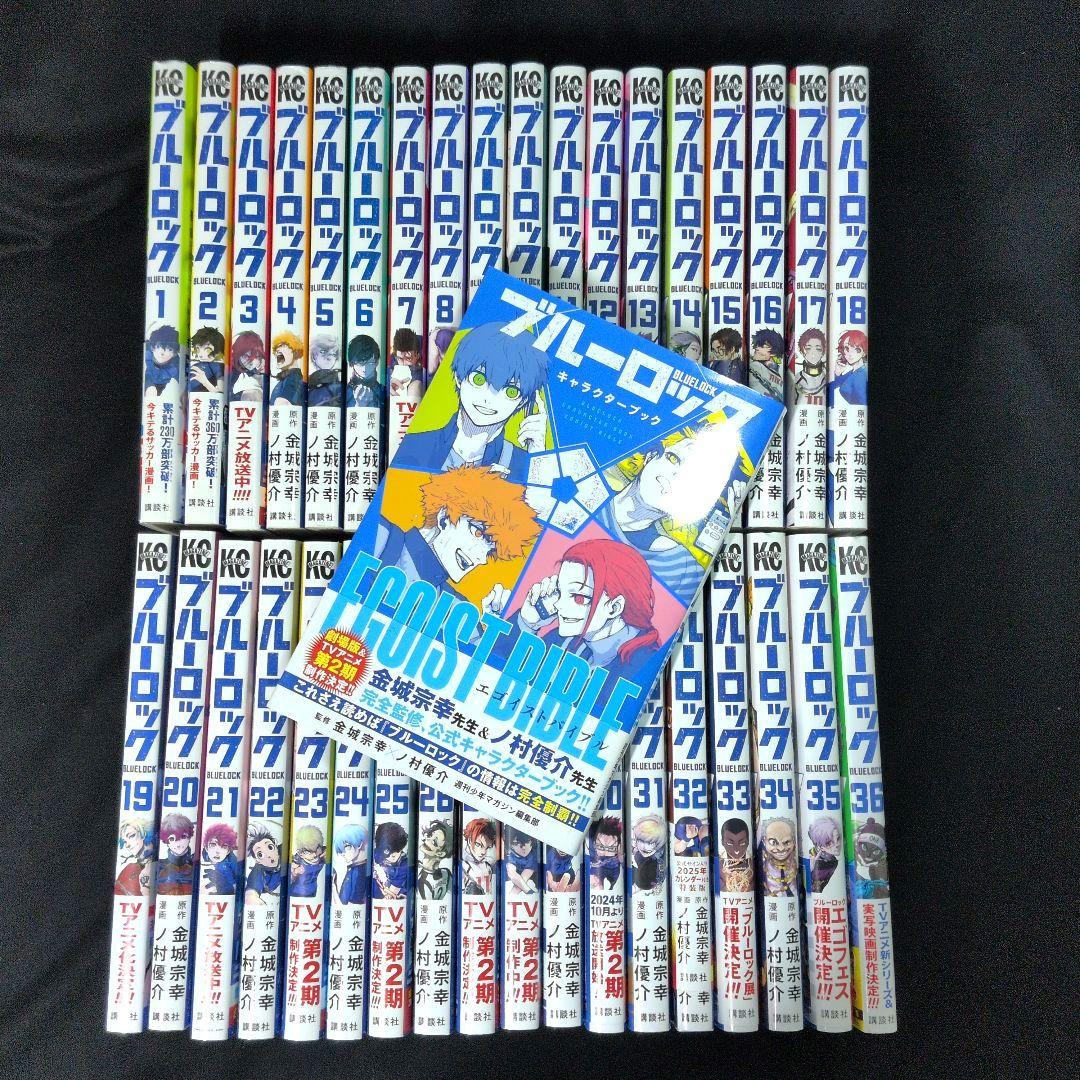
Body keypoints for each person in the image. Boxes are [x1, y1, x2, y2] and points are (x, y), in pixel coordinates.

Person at [484, 537, 661, 708]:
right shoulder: (564, 639)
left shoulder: (643, 666)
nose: (558, 605)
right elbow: (493, 676)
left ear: (614, 607)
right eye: (559, 592)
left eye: (578, 598)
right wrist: (527, 623)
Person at [393, 320, 548, 484]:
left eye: (511, 391)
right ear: (459, 378)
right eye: (479, 380)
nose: (489, 398)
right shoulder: (416, 446)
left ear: (523, 401)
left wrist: (538, 459)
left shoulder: (523, 463)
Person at [374, 464, 539, 592]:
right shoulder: (381, 537)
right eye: (479, 533)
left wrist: (524, 621)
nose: (481, 558)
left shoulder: (457, 611)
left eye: (490, 550)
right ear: (444, 518)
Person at [757, 817, 798, 897]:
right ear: (764, 841)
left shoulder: (796, 863)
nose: (781, 848)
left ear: (793, 840)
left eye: (787, 842)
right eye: (773, 842)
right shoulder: (763, 866)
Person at [156, 812, 194, 895]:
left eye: (183, 837)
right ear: (166, 841)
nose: (178, 844)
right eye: (172, 839)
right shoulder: (158, 867)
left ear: (189, 837)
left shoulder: (196, 866)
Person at [244, 824, 283, 905]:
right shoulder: (258, 871)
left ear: (275, 845)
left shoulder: (283, 851)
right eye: (260, 854)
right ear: (257, 860)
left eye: (270, 847)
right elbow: (251, 894)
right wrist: (252, 897)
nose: (269, 855)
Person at [829, 329, 868, 407]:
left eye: (856, 349)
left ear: (864, 352)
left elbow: (863, 403)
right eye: (847, 348)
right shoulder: (854, 371)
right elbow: (835, 385)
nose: (850, 354)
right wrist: (838, 372)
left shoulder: (861, 374)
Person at [333, 824, 370, 905]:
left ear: (359, 845)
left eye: (346, 847)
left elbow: (350, 905)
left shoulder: (360, 871)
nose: (343, 853)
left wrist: (333, 888)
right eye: (340, 850)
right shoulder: (354, 868)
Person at [371, 821, 409, 899]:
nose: (393, 855)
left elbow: (393, 891)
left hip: (397, 895)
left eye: (398, 851)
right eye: (388, 851)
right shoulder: (377, 854)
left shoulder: (404, 864)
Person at [415, 819, 451, 900]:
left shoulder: (445, 874)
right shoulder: (414, 868)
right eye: (430, 835)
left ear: (441, 853)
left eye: (434, 842)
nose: (427, 840)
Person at [201, 822, 240, 895]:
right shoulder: (202, 857)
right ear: (206, 847)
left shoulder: (227, 864)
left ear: (228, 851)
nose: (217, 851)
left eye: (224, 847)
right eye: (213, 845)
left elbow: (235, 883)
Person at [460, 817, 497, 896]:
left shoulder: (488, 866)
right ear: (469, 840)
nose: (483, 852)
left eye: (488, 847)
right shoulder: (462, 865)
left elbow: (489, 892)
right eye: (479, 845)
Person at [630, 813, 666, 892]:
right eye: (640, 840)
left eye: (649, 843)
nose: (644, 846)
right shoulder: (639, 856)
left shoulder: (659, 859)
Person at [718, 817, 754, 893]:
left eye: (742, 843)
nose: (736, 850)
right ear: (722, 842)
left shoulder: (753, 862)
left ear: (748, 842)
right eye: (730, 844)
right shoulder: (718, 863)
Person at [289, 825, 326, 897]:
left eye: (317, 848)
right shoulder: (297, 863)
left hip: (313, 892)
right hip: (296, 893)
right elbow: (289, 879)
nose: (314, 854)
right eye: (309, 852)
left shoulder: (321, 857)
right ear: (301, 853)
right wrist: (295, 873)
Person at [306, 334, 343, 406]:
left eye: (334, 354)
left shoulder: (338, 379)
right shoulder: (309, 381)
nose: (329, 357)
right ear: (313, 356)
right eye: (323, 351)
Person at [587, 816, 623, 890]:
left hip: (614, 870)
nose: (605, 852)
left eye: (611, 848)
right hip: (597, 868)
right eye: (601, 847)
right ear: (594, 844)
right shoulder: (592, 851)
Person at [269, 331, 305, 406]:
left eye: (283, 345)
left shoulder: (293, 378)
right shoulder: (286, 379)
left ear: (295, 352)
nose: (277, 350)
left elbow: (282, 403)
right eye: (277, 347)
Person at [229, 331, 266, 401]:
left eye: (257, 357)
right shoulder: (230, 371)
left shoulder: (254, 369)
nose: (252, 362)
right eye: (246, 356)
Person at [144, 325, 180, 396]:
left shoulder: (176, 365)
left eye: (169, 349)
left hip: (163, 385)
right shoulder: (146, 353)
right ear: (152, 347)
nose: (162, 352)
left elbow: (183, 381)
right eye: (158, 347)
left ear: (174, 354)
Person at [187, 326, 226, 393]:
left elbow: (220, 393)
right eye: (198, 348)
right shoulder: (196, 364)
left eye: (207, 349)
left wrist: (205, 382)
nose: (200, 354)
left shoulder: (218, 367)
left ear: (218, 351)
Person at [346, 334, 380, 407]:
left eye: (370, 362)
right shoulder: (343, 393)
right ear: (351, 363)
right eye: (360, 363)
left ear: (377, 362)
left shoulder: (383, 391)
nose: (365, 368)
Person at [503, 828, 539, 895]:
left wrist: (511, 896)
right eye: (516, 843)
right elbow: (511, 873)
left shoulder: (534, 855)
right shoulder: (510, 857)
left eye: (527, 842)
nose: (523, 847)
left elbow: (521, 882)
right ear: (510, 845)